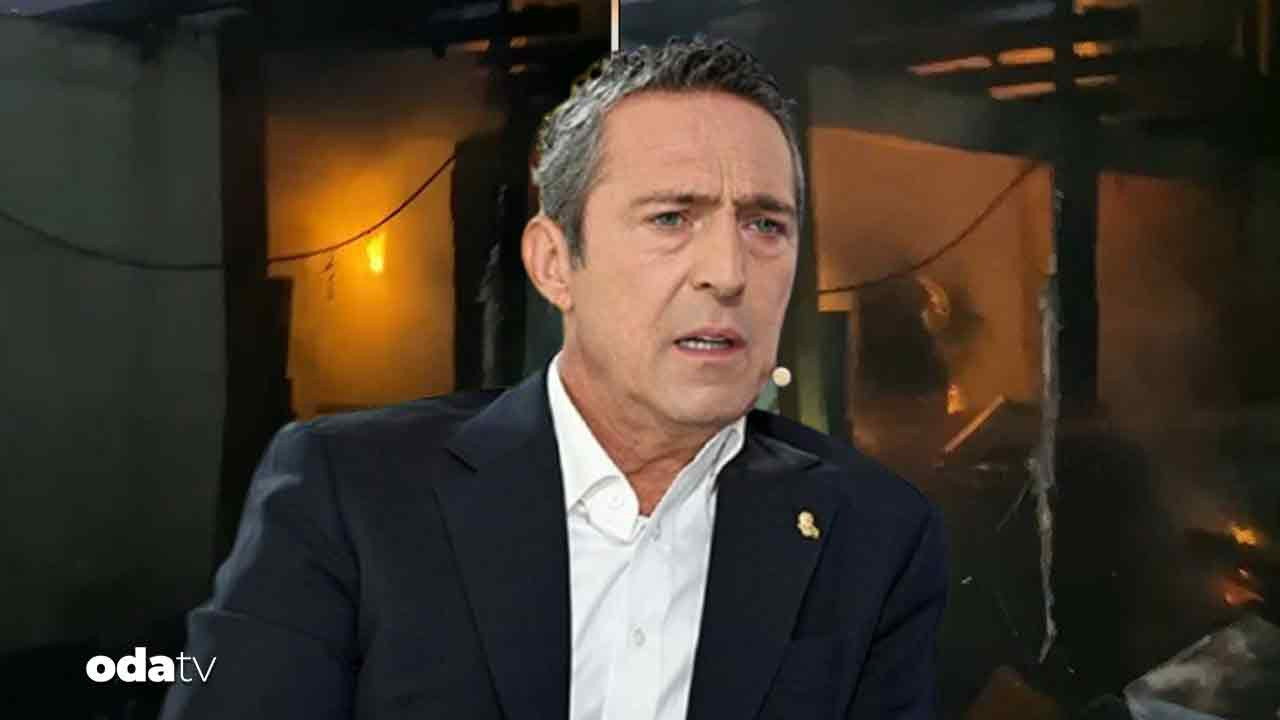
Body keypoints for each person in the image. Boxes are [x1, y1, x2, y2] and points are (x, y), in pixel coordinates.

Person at [161, 36, 948, 720]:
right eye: (671, 218)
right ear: (553, 264)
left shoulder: (873, 534)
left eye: (765, 224)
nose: (728, 271)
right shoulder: (349, 494)